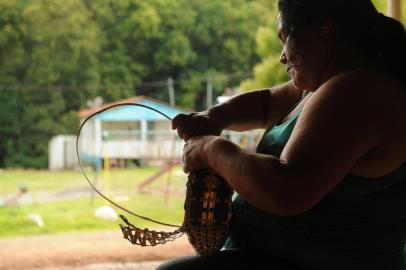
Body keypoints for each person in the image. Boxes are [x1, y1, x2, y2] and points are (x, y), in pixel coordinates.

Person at [158, 0, 406, 269]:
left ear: (325, 29)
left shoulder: (359, 91)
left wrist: (211, 150)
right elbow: (266, 103)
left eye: (284, 38)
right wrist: (215, 116)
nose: (282, 56)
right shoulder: (321, 84)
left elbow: (287, 188)